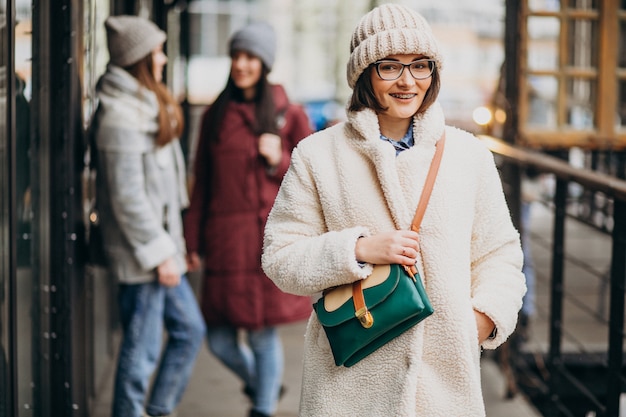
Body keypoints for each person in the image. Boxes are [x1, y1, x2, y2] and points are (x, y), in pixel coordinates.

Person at [261, 4, 527, 416]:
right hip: (346, 388)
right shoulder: (317, 155)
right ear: (364, 72)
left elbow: (500, 253)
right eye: (389, 67)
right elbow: (280, 256)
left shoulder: (468, 155)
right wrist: (357, 250)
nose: (407, 81)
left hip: (444, 390)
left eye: (421, 66)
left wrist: (481, 320)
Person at [183, 22, 313, 417]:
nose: (241, 64)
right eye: (236, 56)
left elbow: (311, 180)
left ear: (264, 63)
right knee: (219, 339)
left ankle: (261, 408)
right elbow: (201, 183)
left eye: (250, 57)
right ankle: (264, 387)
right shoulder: (214, 115)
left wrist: (279, 160)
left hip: (262, 243)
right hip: (223, 243)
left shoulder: (288, 115)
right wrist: (192, 243)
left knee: (261, 335)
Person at [92, 15, 205, 417]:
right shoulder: (120, 116)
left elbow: (163, 193)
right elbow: (129, 199)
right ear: (139, 57)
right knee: (139, 355)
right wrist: (160, 256)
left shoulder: (144, 102)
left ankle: (156, 411)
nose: (163, 58)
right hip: (145, 260)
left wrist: (177, 248)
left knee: (190, 331)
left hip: (164, 251)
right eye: (157, 51)